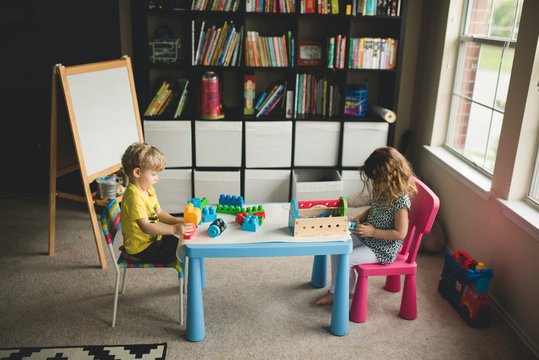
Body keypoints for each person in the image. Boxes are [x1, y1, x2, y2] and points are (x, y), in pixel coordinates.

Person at [316, 146, 417, 305]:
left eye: (378, 179)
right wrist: (362, 216)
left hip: (383, 248)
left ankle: (344, 293)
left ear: (389, 176)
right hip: (368, 235)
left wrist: (373, 231)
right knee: (338, 246)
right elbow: (375, 207)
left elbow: (400, 233)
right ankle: (336, 290)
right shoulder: (383, 188)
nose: (375, 183)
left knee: (347, 258)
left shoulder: (401, 201)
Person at [119, 142, 194, 263]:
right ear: (137, 173)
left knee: (179, 242)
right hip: (141, 247)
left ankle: (130, 250)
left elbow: (159, 213)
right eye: (153, 174)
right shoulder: (133, 198)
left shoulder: (148, 189)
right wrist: (174, 229)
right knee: (179, 253)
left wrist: (178, 221)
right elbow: (146, 227)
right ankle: (133, 256)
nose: (157, 179)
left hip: (151, 239)